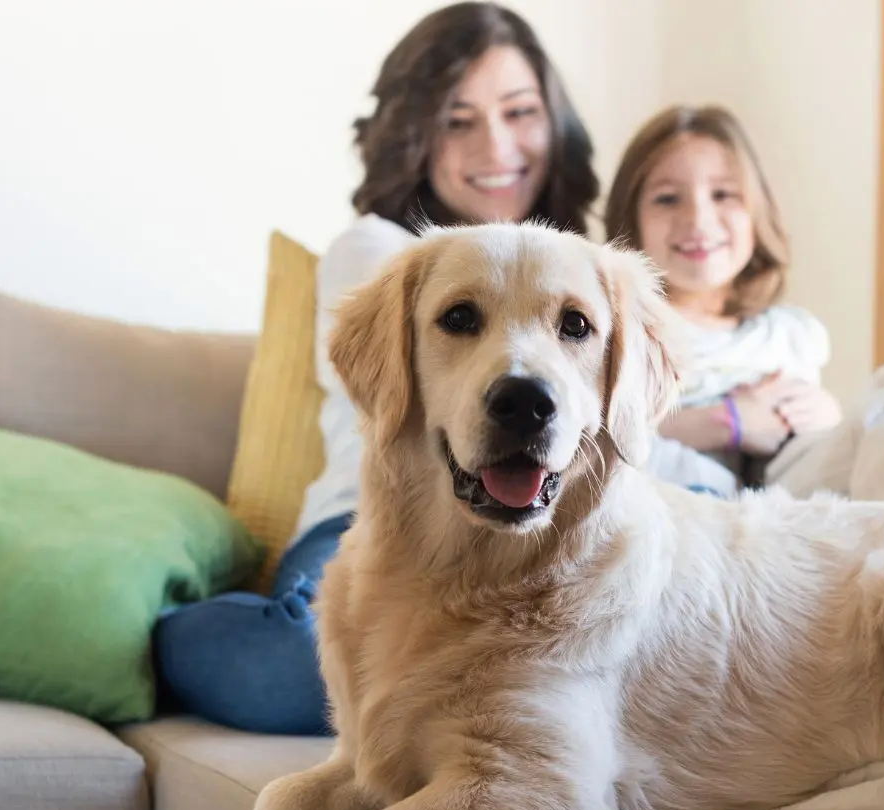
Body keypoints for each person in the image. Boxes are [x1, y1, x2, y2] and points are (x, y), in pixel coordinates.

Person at [151, 2, 599, 735]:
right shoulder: (379, 250)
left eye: (520, 112)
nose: (497, 144)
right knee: (308, 673)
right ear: (415, 133)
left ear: (555, 121)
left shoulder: (587, 274)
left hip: (536, 535)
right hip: (369, 522)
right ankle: (158, 629)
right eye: (459, 120)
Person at [603, 104, 844, 481]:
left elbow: (816, 454)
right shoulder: (622, 333)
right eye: (667, 198)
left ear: (757, 212)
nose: (698, 219)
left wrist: (829, 415)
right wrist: (725, 422)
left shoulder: (787, 336)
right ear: (630, 218)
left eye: (723, 194)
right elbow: (594, 442)